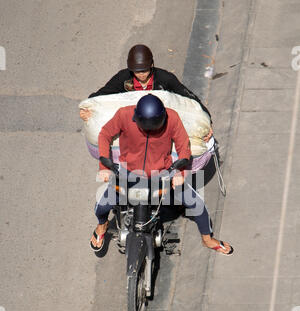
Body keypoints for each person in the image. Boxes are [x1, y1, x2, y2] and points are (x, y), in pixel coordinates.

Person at [90, 94, 233, 256]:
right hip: (128, 173)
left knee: (197, 206)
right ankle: (102, 226)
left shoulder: (172, 117)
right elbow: (104, 134)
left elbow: (183, 147)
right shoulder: (124, 115)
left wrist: (180, 172)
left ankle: (207, 239)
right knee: (101, 207)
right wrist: (104, 166)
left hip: (163, 175)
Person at [80, 44, 213, 143]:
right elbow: (102, 94)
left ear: (151, 66)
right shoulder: (123, 78)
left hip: (160, 126)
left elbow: (189, 97)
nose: (142, 74)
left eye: (145, 70)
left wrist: (207, 122)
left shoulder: (165, 78)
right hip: (133, 127)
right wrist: (87, 108)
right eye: (137, 71)